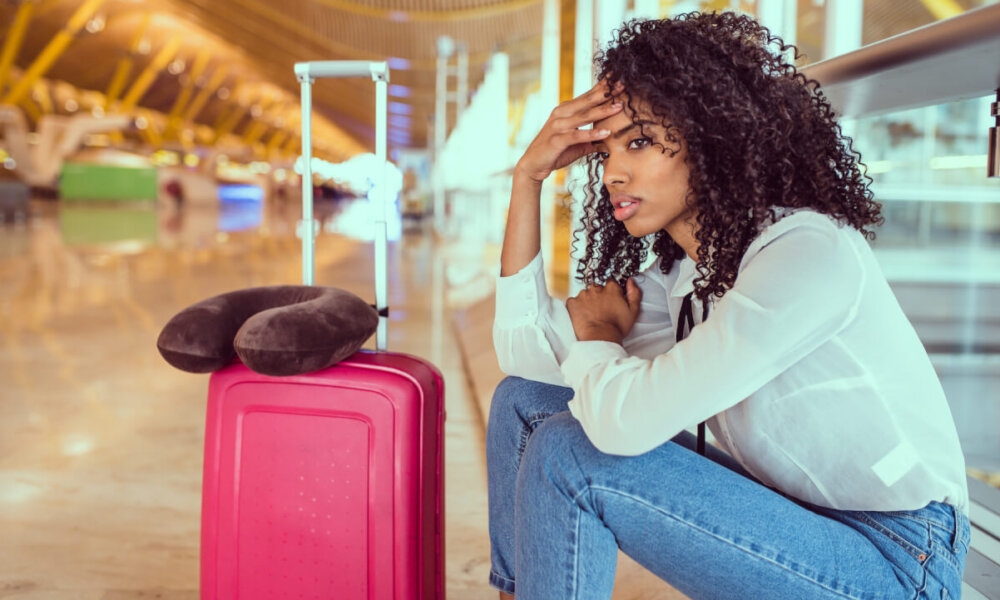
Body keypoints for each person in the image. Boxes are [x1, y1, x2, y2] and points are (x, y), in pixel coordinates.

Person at [488, 11, 969, 600]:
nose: (612, 172)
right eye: (604, 153)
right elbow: (524, 355)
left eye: (638, 141)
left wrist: (599, 341)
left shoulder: (805, 253)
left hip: (898, 558)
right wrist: (527, 179)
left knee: (572, 451)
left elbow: (624, 426)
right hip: (799, 524)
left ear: (712, 136)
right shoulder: (686, 276)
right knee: (526, 404)